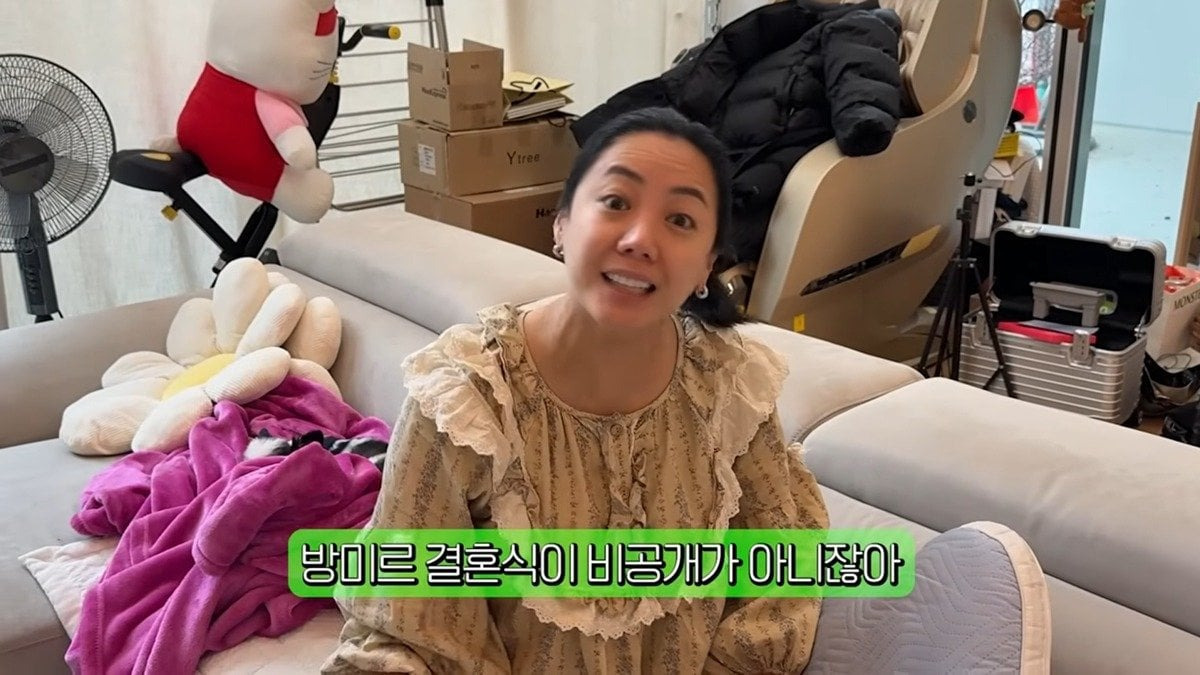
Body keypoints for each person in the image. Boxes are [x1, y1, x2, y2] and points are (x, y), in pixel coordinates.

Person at [322, 107, 830, 674]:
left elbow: (782, 571)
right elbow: (410, 621)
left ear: (705, 267)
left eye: (680, 219)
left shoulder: (730, 387)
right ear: (561, 225)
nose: (640, 239)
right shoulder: (469, 397)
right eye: (616, 202)